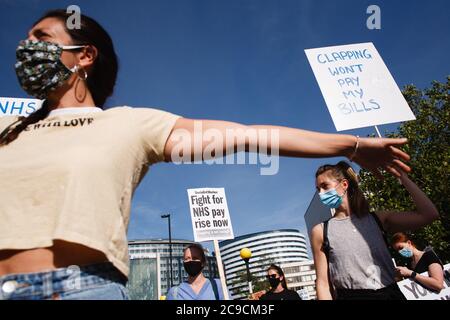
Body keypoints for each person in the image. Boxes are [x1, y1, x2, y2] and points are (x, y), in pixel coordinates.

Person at [0, 9, 411, 300]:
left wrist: (353, 147)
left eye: (42, 39)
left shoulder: (128, 125)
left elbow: (251, 136)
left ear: (84, 55)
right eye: (26, 40)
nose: (27, 47)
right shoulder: (8, 129)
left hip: (86, 289)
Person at [311, 161, 439, 300]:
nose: (321, 194)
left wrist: (402, 177)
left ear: (344, 185)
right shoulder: (321, 231)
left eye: (325, 186)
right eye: (318, 189)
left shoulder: (377, 218)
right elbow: (323, 283)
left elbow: (429, 215)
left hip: (391, 294)